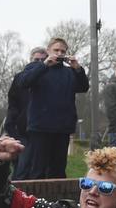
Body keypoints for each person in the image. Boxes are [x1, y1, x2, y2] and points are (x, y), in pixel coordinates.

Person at [15, 39, 90, 180]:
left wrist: (78, 69)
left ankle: (56, 200)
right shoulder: (36, 67)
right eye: (56, 50)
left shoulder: (70, 72)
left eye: (63, 51)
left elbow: (84, 87)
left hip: (63, 127)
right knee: (38, 169)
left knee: (58, 170)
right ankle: (36, 201)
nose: (60, 53)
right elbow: (23, 82)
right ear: (48, 51)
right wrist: (44, 65)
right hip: (40, 127)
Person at [2, 46, 46, 179]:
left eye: (42, 60)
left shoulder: (48, 78)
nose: (38, 62)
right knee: (22, 166)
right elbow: (13, 103)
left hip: (41, 130)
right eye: (36, 59)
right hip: (22, 130)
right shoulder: (20, 78)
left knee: (38, 167)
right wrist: (11, 126)